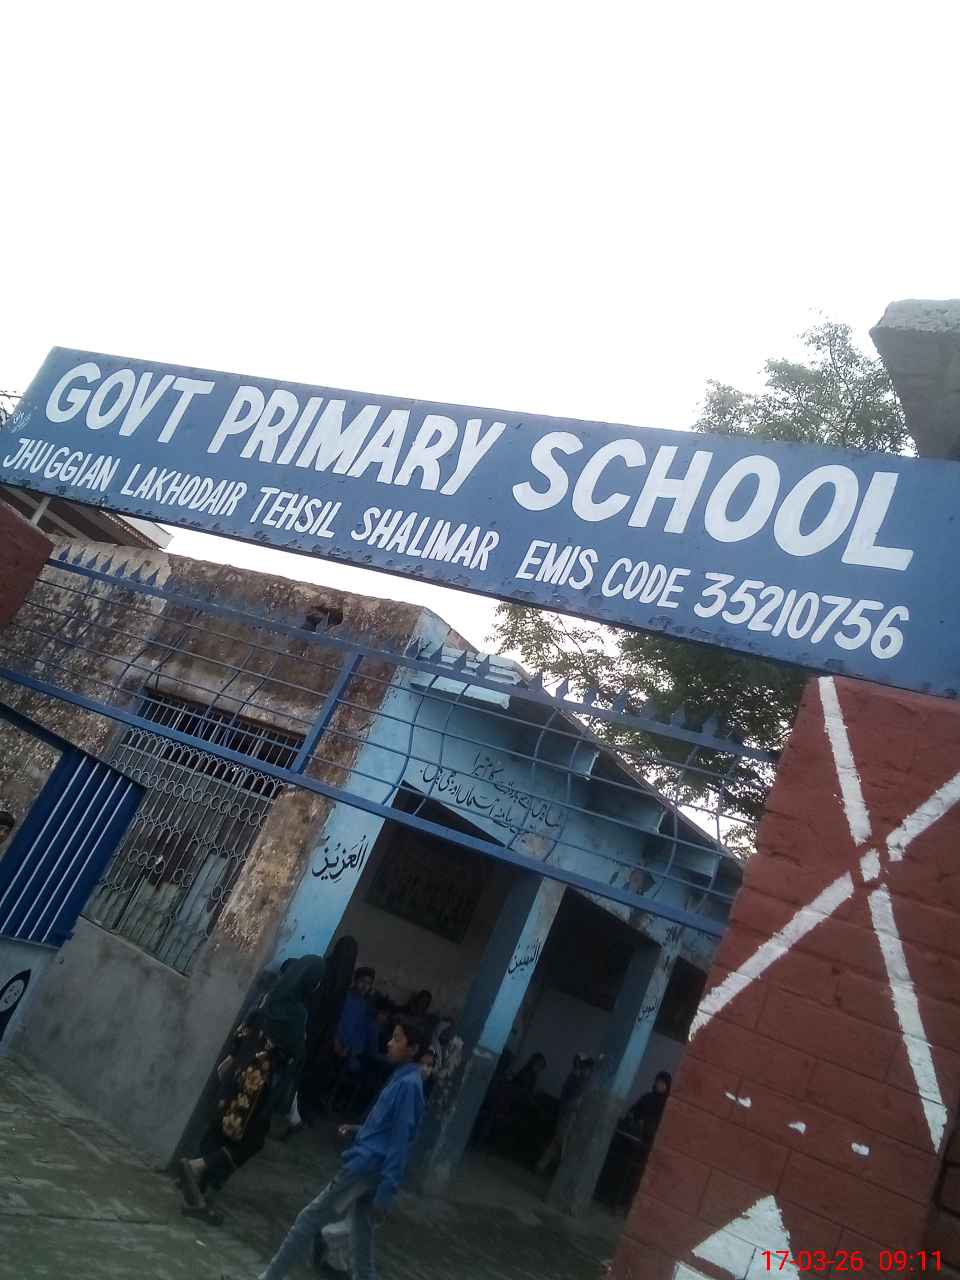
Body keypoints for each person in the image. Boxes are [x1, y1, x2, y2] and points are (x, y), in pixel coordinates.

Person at [225, 1017, 428, 1280]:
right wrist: (358, 1130)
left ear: (413, 1049)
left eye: (397, 1039)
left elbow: (400, 1141)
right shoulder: (403, 1079)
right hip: (371, 1165)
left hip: (365, 1166)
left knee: (309, 1219)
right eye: (392, 1037)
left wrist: (387, 1192)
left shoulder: (409, 1085)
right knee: (362, 1239)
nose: (389, 1043)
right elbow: (386, 1129)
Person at [177, 954, 325, 1221]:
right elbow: (297, 1053)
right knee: (251, 1140)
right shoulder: (297, 1013)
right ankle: (196, 1167)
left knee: (221, 1130)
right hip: (259, 1086)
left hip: (239, 1071)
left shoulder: (272, 996)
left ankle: (196, 1195)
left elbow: (247, 1026)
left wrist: (233, 1055)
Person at [536, 1053, 598, 1175]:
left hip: (567, 1114)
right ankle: (554, 1169)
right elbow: (574, 1100)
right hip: (569, 1115)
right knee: (562, 1144)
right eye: (587, 1069)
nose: (587, 1071)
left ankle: (541, 1165)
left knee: (558, 1142)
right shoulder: (580, 1080)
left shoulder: (578, 1079)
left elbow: (569, 1096)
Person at [623, 1070, 672, 1144]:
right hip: (633, 1135)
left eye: (662, 1083)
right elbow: (633, 1111)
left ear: (667, 1086)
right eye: (658, 1082)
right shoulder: (647, 1097)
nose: (659, 1085)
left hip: (648, 1140)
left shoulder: (666, 1105)